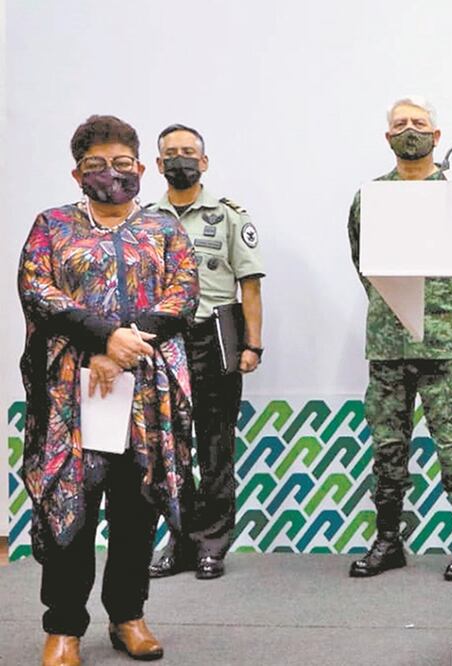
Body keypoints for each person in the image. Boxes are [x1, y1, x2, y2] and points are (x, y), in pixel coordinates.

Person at [18, 114, 198, 665]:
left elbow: (183, 294)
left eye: (122, 163)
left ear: (140, 167)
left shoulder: (165, 230)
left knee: (135, 506)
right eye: (96, 165)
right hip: (72, 395)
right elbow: (37, 289)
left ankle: (128, 616)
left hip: (145, 392)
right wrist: (103, 339)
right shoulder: (52, 226)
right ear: (77, 174)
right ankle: (63, 627)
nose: (111, 174)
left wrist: (125, 344)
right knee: (68, 507)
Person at [347, 96, 452, 582]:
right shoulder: (371, 197)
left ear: (437, 135)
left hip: (445, 342)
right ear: (387, 136)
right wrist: (394, 303)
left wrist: (449, 305)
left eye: (419, 122)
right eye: (400, 123)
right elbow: (364, 261)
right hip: (388, 342)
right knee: (387, 446)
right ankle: (388, 540)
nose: (409, 129)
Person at [147, 124, 266, 581]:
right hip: (163, 343)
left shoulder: (229, 216)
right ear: (159, 164)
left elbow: (249, 286)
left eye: (189, 152)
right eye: (172, 153)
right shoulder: (146, 219)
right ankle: (179, 543)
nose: (181, 160)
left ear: (204, 161)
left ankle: (212, 545)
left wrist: (253, 344)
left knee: (216, 448)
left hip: (214, 336)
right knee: (170, 452)